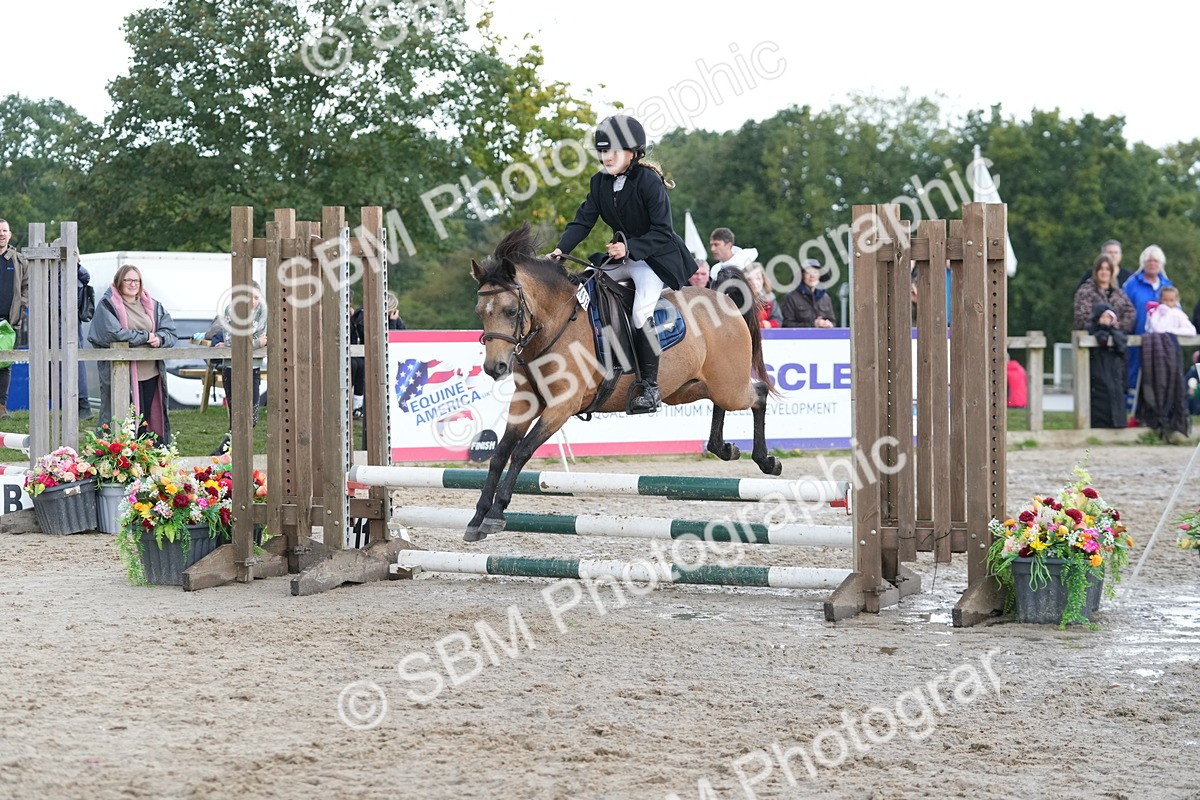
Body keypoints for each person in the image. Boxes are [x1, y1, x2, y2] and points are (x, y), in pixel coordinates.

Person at [551, 114, 695, 414]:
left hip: (654, 259)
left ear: (633, 153)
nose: (607, 157)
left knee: (641, 313)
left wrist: (629, 246)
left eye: (613, 151)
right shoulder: (599, 183)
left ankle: (649, 387)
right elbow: (583, 220)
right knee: (583, 291)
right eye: (603, 152)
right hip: (621, 258)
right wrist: (560, 250)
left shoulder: (648, 181)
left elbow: (663, 230)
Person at [88, 264, 178, 442]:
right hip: (123, 373)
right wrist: (145, 336)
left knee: (146, 419)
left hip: (150, 372)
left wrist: (159, 338)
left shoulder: (153, 305)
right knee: (124, 418)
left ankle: (146, 458)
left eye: (136, 280)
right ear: (119, 282)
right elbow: (111, 333)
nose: (132, 284)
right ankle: (121, 455)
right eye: (128, 280)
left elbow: (170, 332)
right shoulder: (108, 305)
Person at [204, 281, 268, 455]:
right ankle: (230, 457)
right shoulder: (230, 311)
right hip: (232, 367)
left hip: (253, 367)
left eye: (256, 297)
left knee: (252, 418)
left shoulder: (263, 312)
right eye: (249, 297)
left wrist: (248, 341)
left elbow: (265, 337)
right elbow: (234, 342)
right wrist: (256, 342)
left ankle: (220, 453)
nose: (253, 301)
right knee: (236, 418)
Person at [1122, 244, 1172, 411]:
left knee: (1159, 372)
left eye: (1156, 261)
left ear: (1161, 264)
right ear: (1143, 263)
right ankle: (1132, 408)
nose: (1152, 264)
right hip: (1137, 336)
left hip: (1162, 339)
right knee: (1134, 372)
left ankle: (1157, 409)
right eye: (1149, 260)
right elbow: (1123, 307)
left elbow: (1175, 310)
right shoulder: (1132, 284)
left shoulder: (1166, 285)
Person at [351, 290, 405, 418]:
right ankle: (359, 405)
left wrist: (394, 321)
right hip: (370, 355)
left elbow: (402, 335)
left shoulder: (393, 319)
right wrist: (391, 323)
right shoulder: (364, 316)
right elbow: (383, 341)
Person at [0, 218, 30, 419]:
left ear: (10, 234)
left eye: (4, 230)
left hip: (9, 323)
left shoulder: (19, 260)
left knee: (5, 364)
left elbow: (27, 286)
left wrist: (22, 304)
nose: (1, 234)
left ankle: (1, 407)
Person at [1086, 302, 1129, 428]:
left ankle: (1118, 423)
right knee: (1100, 396)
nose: (1105, 320)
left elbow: (1122, 347)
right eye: (1102, 316)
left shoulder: (1117, 334)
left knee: (1115, 394)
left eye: (1108, 317)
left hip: (1113, 370)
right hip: (1097, 368)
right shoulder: (1091, 331)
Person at [1072, 254, 1134, 333]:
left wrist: (1119, 326)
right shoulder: (1085, 291)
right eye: (1101, 269)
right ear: (1096, 271)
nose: (1104, 272)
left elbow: (1130, 311)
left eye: (1107, 269)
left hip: (1116, 340)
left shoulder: (1119, 293)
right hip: (1091, 339)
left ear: (1111, 272)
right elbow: (1081, 317)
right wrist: (1101, 325)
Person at [780, 259, 836, 328]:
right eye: (808, 272)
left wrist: (828, 324)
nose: (812, 276)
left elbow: (833, 321)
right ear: (802, 276)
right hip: (799, 338)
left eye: (815, 272)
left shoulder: (825, 298)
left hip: (823, 338)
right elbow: (786, 324)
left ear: (820, 276)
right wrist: (813, 325)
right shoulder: (790, 297)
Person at [741, 262, 781, 328]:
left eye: (758, 278)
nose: (754, 283)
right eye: (749, 279)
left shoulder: (770, 299)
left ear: (763, 279)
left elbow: (778, 321)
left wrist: (768, 324)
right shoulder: (738, 301)